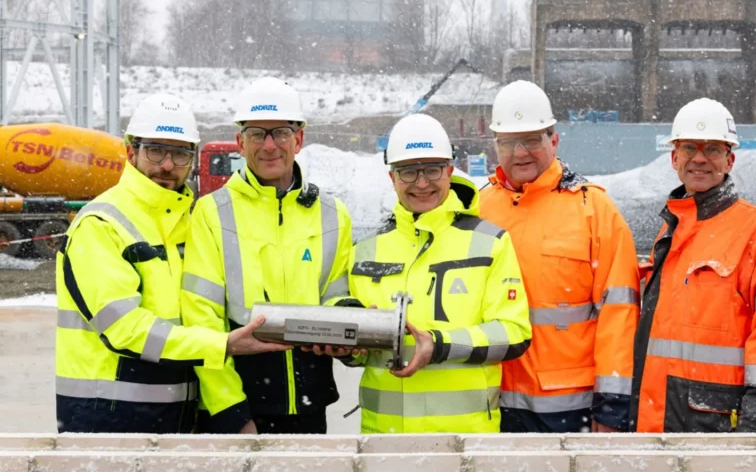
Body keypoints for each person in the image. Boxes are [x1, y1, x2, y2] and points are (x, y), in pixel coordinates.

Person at [54, 93, 288, 434]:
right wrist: (222, 345)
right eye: (155, 150)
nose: (167, 165)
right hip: (105, 416)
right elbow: (124, 329)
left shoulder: (190, 222)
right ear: (130, 151)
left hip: (177, 415)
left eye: (179, 153)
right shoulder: (101, 224)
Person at [331, 113, 532, 434]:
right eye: (409, 172)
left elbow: (513, 334)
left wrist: (439, 346)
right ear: (392, 177)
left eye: (432, 170)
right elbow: (357, 339)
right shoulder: (365, 249)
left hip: (466, 437)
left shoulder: (490, 242)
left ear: (450, 171)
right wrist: (347, 349)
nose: (422, 183)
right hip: (383, 436)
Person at [181, 77, 355, 435]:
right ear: (240, 143)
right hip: (240, 406)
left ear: (299, 139)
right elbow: (201, 319)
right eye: (257, 134)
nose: (270, 145)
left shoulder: (332, 214)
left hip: (309, 405)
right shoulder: (212, 213)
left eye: (281, 133)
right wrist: (231, 411)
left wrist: (348, 324)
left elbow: (337, 296)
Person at [631, 97, 756, 433]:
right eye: (689, 147)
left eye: (713, 149)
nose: (699, 158)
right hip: (657, 422)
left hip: (719, 424)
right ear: (674, 158)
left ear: (729, 160)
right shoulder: (671, 230)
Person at [479, 80, 640, 434]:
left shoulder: (594, 209)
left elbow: (619, 314)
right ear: (495, 145)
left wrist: (611, 408)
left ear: (554, 141)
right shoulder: (478, 208)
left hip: (570, 410)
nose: (520, 152)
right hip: (489, 404)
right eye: (508, 142)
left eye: (532, 140)